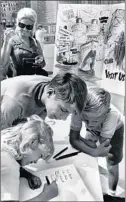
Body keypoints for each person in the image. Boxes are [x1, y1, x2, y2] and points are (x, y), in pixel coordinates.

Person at [69, 87, 124, 196]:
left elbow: (102, 148)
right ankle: (91, 183)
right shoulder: (78, 110)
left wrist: (82, 140)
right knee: (88, 155)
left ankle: (112, 193)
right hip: (98, 127)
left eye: (93, 120)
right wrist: (88, 146)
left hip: (115, 129)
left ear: (105, 113)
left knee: (112, 161)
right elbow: (74, 140)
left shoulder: (111, 115)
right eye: (85, 119)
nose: (88, 124)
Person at [1, 73, 87, 130]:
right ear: (50, 93)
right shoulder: (14, 103)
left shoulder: (54, 86)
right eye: (64, 110)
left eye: (69, 113)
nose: (64, 118)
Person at [1, 114, 58, 201]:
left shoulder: (5, 141)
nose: (36, 162)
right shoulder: (10, 165)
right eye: (40, 155)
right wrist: (45, 195)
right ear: (32, 142)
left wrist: (26, 174)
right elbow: (8, 168)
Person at [1, 8, 48, 80]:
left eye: (29, 27)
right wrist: (6, 42)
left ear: (32, 27)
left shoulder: (35, 42)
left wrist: (40, 62)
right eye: (22, 25)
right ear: (17, 24)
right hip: (18, 81)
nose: (25, 29)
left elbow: (43, 63)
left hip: (34, 80)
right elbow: (3, 64)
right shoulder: (12, 40)